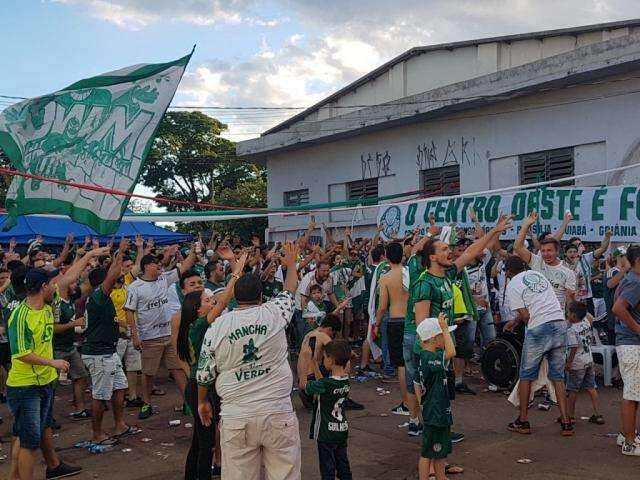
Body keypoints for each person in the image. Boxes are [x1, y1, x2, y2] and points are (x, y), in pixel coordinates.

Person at [196, 241, 301, 480]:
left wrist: (203, 401)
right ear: (262, 296)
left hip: (236, 416)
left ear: (234, 296)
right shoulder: (275, 312)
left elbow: (204, 373)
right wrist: (292, 264)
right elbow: (291, 289)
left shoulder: (217, 327)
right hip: (277, 412)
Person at [409, 214, 511, 438]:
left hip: (445, 346)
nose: (451, 252)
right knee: (433, 396)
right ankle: (433, 439)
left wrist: (495, 231)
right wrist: (433, 353)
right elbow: (422, 325)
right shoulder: (424, 283)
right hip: (431, 351)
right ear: (432, 257)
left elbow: (471, 252)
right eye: (445, 249)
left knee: (443, 395)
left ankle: (442, 432)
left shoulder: (448, 274)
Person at [6, 268, 82, 480]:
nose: (55, 285)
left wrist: (91, 253)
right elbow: (22, 353)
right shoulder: (21, 316)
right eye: (51, 282)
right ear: (43, 287)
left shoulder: (47, 304)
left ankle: (15, 476)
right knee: (29, 441)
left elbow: (69, 278)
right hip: (25, 386)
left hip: (44, 382)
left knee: (26, 434)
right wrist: (53, 362)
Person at [176, 253, 246, 480]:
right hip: (200, 387)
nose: (211, 302)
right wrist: (235, 273)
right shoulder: (198, 326)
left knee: (199, 440)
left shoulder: (193, 325)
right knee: (207, 445)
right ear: (197, 310)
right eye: (206, 301)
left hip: (198, 386)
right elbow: (224, 300)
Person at [124, 244, 200, 419]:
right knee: (149, 373)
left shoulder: (164, 279)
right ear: (146, 267)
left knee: (178, 368)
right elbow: (129, 312)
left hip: (170, 335)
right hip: (150, 337)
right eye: (155, 264)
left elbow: (185, 267)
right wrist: (135, 336)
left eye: (160, 264)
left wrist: (194, 252)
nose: (160, 266)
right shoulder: (135, 288)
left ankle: (188, 401)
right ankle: (147, 403)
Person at [503, 255, 573, 436]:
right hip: (559, 323)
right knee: (558, 377)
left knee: (526, 375)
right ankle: (566, 423)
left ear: (509, 272)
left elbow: (526, 316)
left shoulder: (512, 285)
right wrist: (515, 321)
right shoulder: (537, 275)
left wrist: (522, 325)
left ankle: (523, 421)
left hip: (539, 328)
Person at [82, 238, 141, 446]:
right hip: (98, 353)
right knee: (100, 395)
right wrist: (120, 253)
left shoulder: (101, 297)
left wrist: (119, 255)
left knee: (120, 387)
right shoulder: (99, 296)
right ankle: (97, 434)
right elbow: (113, 274)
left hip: (108, 351)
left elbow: (114, 274)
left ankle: (119, 425)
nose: (117, 280)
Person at [303, 340, 353, 480]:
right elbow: (323, 384)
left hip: (326, 433)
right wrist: (314, 363)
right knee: (343, 466)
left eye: (324, 357)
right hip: (341, 430)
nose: (323, 360)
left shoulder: (325, 384)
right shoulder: (345, 380)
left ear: (331, 360)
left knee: (328, 470)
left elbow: (304, 385)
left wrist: (306, 361)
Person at [415, 314, 456, 480]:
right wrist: (445, 329)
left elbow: (416, 385)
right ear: (434, 338)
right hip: (435, 412)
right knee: (428, 452)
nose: (447, 338)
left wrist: (422, 405)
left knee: (439, 452)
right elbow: (452, 352)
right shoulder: (430, 359)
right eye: (444, 335)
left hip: (436, 410)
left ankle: (441, 477)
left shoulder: (425, 358)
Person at [514, 211, 576, 312]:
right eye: (543, 251)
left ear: (557, 251)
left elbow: (570, 300)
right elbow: (517, 247)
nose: (546, 254)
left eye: (549, 250)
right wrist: (525, 225)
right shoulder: (537, 261)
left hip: (556, 319)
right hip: (535, 318)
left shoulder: (567, 272)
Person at [375, 242, 411, 415]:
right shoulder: (410, 273)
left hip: (395, 320)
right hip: (412, 320)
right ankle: (415, 400)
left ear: (387, 257)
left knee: (402, 365)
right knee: (414, 362)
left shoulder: (386, 278)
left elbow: (382, 306)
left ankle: (406, 403)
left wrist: (376, 324)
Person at [611, 244, 640, 456]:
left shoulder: (629, 279)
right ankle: (630, 443)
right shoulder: (635, 282)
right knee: (632, 394)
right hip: (632, 344)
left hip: (628, 342)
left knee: (634, 393)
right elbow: (618, 309)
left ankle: (626, 434)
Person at [565, 300, 604, 425]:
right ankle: (598, 414)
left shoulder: (572, 330)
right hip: (589, 359)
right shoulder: (586, 322)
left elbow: (573, 347)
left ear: (574, 316)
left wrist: (569, 363)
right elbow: (588, 316)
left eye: (569, 313)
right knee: (591, 387)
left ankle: (570, 416)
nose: (567, 314)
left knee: (572, 390)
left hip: (577, 363)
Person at [297, 314, 342, 409]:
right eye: (333, 334)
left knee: (323, 359)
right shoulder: (323, 336)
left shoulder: (309, 334)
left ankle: (313, 394)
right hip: (311, 381)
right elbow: (338, 351)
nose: (332, 336)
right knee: (335, 362)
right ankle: (322, 395)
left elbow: (330, 317)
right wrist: (352, 354)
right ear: (330, 329)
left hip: (302, 380)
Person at [567, 232, 612, 314]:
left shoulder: (586, 257)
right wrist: (578, 254)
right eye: (576, 245)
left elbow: (603, 249)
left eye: (580, 244)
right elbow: (570, 271)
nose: (579, 247)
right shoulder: (565, 261)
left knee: (590, 322)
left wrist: (607, 236)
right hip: (574, 299)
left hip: (587, 298)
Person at [604, 247, 629, 345]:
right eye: (627, 256)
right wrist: (624, 269)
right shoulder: (613, 271)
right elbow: (610, 284)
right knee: (614, 348)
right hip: (613, 317)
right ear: (620, 257)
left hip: (625, 317)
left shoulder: (628, 273)